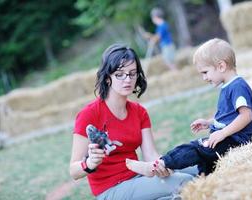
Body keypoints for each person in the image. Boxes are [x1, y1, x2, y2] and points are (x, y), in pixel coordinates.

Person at [69, 44, 196, 200]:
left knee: (199, 169)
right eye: (120, 74)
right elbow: (74, 171)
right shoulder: (89, 114)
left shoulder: (139, 111)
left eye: (132, 73)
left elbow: (150, 154)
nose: (127, 79)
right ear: (108, 78)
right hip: (110, 190)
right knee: (186, 181)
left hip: (138, 178)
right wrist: (89, 163)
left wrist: (161, 165)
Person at [126, 38, 252, 177]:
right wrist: (209, 123)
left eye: (205, 72)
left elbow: (246, 116)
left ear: (221, 66)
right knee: (205, 161)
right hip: (228, 138)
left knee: (195, 149)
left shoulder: (237, 86)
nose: (204, 78)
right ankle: (203, 181)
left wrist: (223, 133)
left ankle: (160, 164)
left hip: (234, 141)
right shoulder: (229, 86)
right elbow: (229, 116)